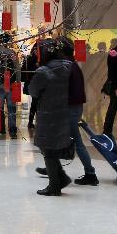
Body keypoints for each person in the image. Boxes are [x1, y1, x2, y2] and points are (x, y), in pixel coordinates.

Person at [35, 38, 98, 185]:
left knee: (75, 141)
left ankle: (90, 173)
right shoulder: (72, 65)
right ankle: (52, 167)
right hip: (73, 107)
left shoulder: (66, 67)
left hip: (69, 108)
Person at [27, 38, 73, 196]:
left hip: (47, 113)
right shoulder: (67, 66)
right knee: (50, 147)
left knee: (47, 149)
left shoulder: (44, 71)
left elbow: (32, 91)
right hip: (63, 111)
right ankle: (61, 178)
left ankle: (54, 186)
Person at [0, 32, 20, 138]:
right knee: (12, 108)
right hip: (11, 84)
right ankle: (12, 131)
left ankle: (1, 128)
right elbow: (17, 68)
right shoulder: (12, 53)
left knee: (0, 107)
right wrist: (18, 81)